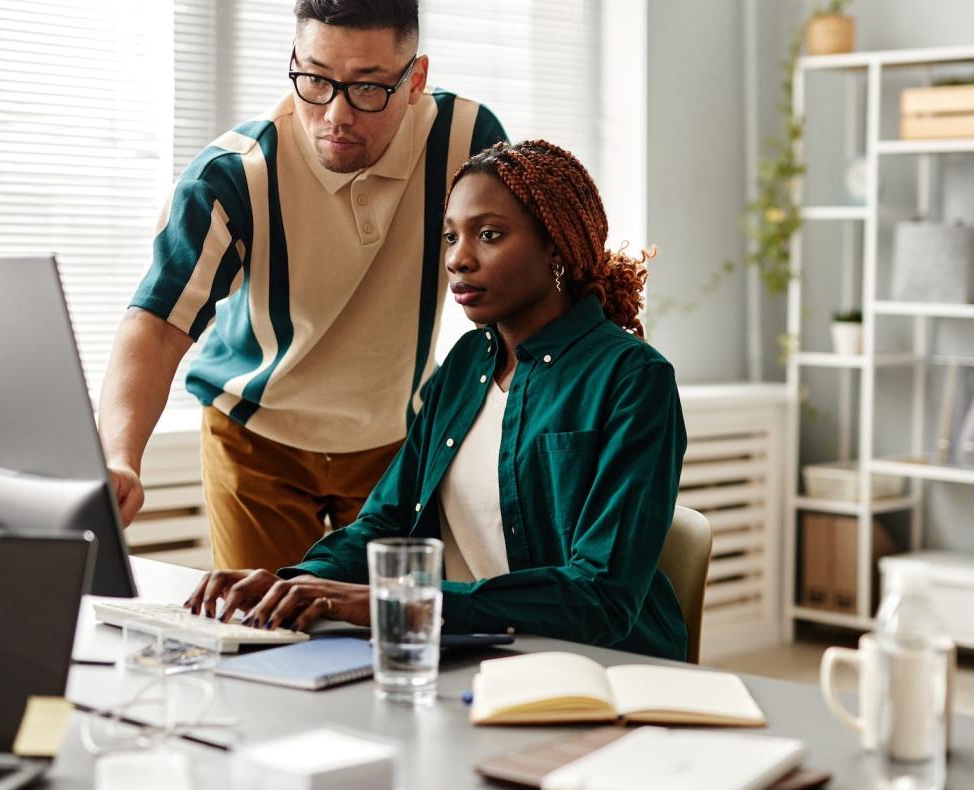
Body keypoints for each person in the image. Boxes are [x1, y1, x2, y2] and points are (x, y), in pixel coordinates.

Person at [186, 140, 689, 660]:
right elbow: (388, 522)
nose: (457, 259)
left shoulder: (633, 378)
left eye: (488, 235)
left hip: (600, 670)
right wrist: (295, 584)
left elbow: (601, 597)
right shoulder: (468, 362)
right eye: (451, 236)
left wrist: (401, 604)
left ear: (556, 247)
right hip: (471, 656)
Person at [99, 0, 506, 570]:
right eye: (314, 80)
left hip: (396, 441)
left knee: (385, 632)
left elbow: (518, 281)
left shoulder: (465, 137)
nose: (336, 114)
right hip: (256, 441)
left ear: (416, 77)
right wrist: (119, 455)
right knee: (265, 635)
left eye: (368, 87)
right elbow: (157, 325)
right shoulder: (234, 174)